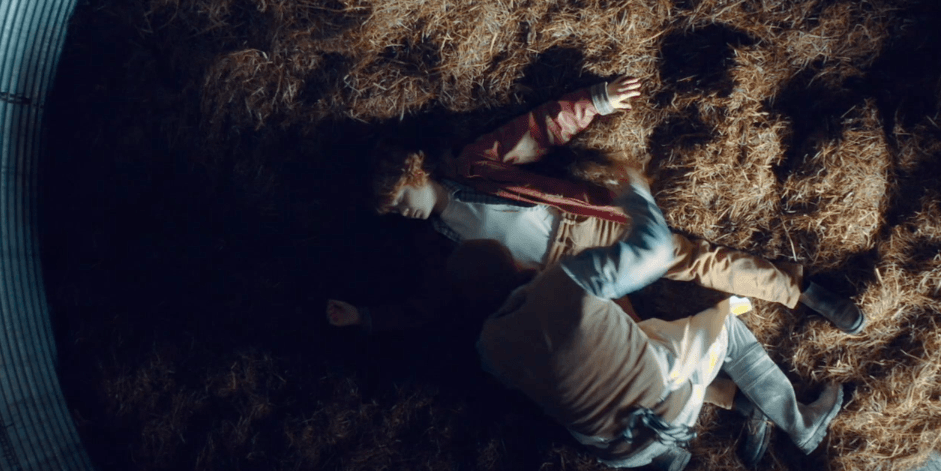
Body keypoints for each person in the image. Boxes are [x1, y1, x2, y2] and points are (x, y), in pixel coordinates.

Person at [326, 76, 865, 337]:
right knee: (634, 343)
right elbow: (428, 305)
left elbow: (536, 131)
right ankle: (734, 400)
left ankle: (798, 290)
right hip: (565, 283)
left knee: (692, 259)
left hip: (587, 229)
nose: (403, 213)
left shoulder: (474, 166)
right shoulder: (435, 248)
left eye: (400, 201)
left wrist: (595, 101)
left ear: (415, 173)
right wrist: (367, 317)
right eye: (393, 213)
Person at [461, 166, 846, 471]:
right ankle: (800, 423)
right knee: (726, 326)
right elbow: (655, 251)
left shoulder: (487, 350)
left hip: (614, 453)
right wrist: (635, 192)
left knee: (623, 351)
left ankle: (665, 456)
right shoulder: (563, 281)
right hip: (672, 410)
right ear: (517, 264)